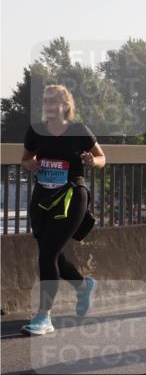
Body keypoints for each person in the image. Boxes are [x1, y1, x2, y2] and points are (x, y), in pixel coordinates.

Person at [20, 85, 105, 335]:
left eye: (53, 102)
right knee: (52, 253)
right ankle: (82, 286)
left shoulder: (79, 131)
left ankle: (43, 316)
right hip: (43, 198)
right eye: (45, 102)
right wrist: (30, 165)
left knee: (47, 254)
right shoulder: (36, 130)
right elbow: (25, 159)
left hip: (71, 196)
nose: (48, 106)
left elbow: (101, 158)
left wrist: (93, 161)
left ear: (65, 105)